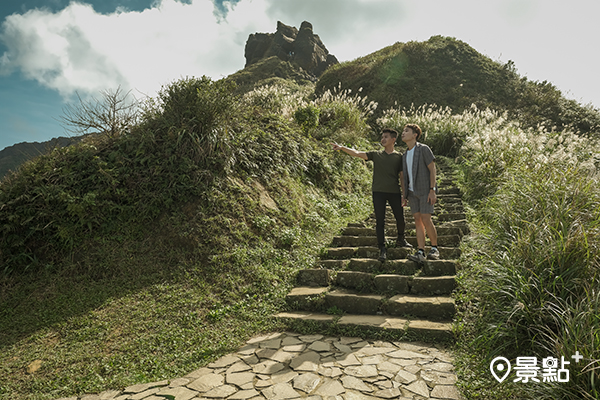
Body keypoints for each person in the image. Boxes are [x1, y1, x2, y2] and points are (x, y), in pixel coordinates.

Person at [332, 128, 412, 262]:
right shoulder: (376, 154)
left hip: (394, 192)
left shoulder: (399, 157)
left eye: (386, 137)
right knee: (380, 220)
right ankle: (382, 248)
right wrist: (342, 148)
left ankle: (401, 239)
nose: (383, 139)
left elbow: (402, 176)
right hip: (378, 192)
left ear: (393, 140)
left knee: (400, 218)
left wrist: (405, 194)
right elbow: (357, 153)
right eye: (382, 137)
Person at [400, 124, 439, 263]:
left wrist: (432, 190)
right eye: (403, 131)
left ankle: (434, 249)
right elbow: (404, 176)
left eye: (406, 131)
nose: (403, 133)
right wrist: (404, 195)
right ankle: (421, 251)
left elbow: (432, 169)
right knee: (417, 220)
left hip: (425, 190)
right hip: (412, 193)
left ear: (415, 135)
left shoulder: (423, 149)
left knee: (426, 219)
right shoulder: (404, 155)